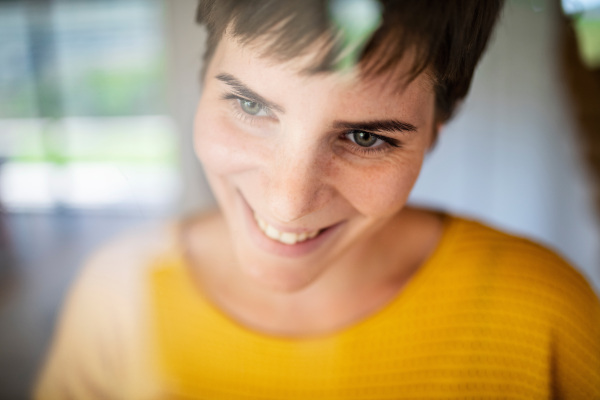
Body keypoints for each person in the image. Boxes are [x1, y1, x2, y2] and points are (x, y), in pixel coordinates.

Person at [36, 0, 600, 398]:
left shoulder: (547, 317)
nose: (287, 204)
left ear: (434, 133)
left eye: (365, 137)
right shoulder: (117, 296)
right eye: (251, 106)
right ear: (202, 80)